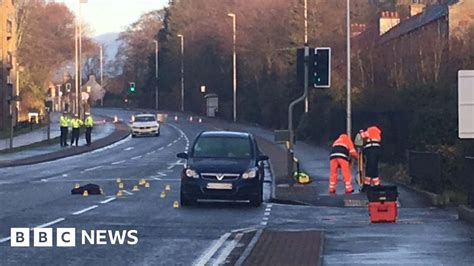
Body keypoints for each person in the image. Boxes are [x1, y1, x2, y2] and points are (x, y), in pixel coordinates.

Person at [360, 125, 382, 192]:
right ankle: (375, 184)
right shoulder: (377, 133)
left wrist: (361, 131)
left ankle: (368, 186)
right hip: (377, 150)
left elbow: (363, 136)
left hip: (370, 149)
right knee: (373, 166)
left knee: (370, 166)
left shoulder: (370, 131)